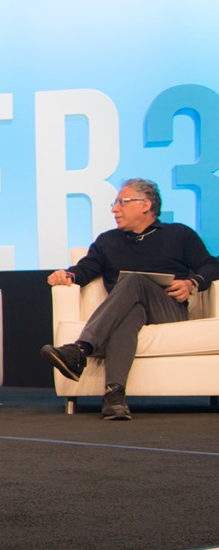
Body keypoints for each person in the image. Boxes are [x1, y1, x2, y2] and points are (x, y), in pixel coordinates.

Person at [41, 178, 219, 420]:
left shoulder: (179, 234)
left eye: (122, 202)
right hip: (128, 312)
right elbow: (84, 270)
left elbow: (211, 265)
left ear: (145, 205)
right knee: (129, 313)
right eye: (114, 204)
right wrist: (66, 275)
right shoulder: (107, 241)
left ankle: (81, 349)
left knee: (133, 281)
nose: (115, 209)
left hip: (169, 310)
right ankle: (114, 397)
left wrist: (193, 282)